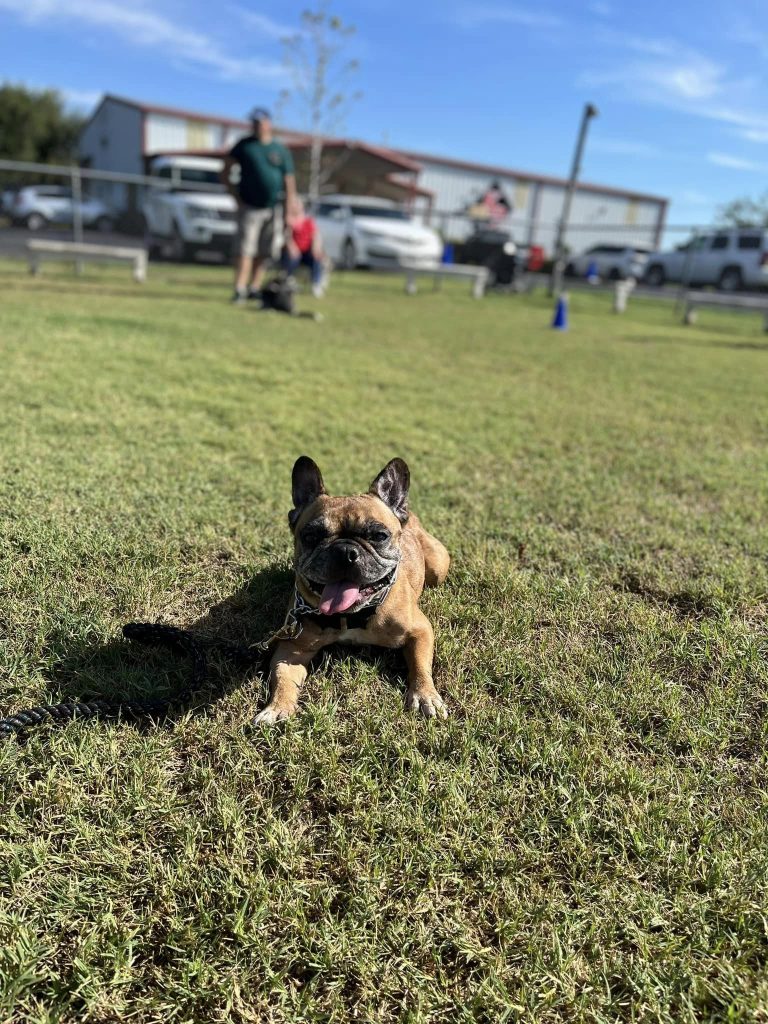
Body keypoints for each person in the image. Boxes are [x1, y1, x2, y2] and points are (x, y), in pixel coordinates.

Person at [222, 107, 297, 304]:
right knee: (245, 248)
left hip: (273, 208)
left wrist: (290, 210)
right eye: (254, 122)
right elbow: (225, 171)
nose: (257, 126)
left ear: (268, 123)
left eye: (260, 122)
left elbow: (289, 181)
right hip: (249, 206)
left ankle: (254, 287)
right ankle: (239, 289)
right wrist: (235, 197)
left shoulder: (279, 149)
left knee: (265, 251)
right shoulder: (244, 146)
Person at [284, 199, 326, 298]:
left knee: (316, 258)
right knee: (293, 257)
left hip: (307, 252)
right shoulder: (288, 221)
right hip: (293, 252)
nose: (296, 207)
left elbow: (315, 236)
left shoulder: (308, 221)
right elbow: (287, 236)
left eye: (298, 204)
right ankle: (289, 280)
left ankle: (316, 284)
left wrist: (316, 248)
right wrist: (291, 247)